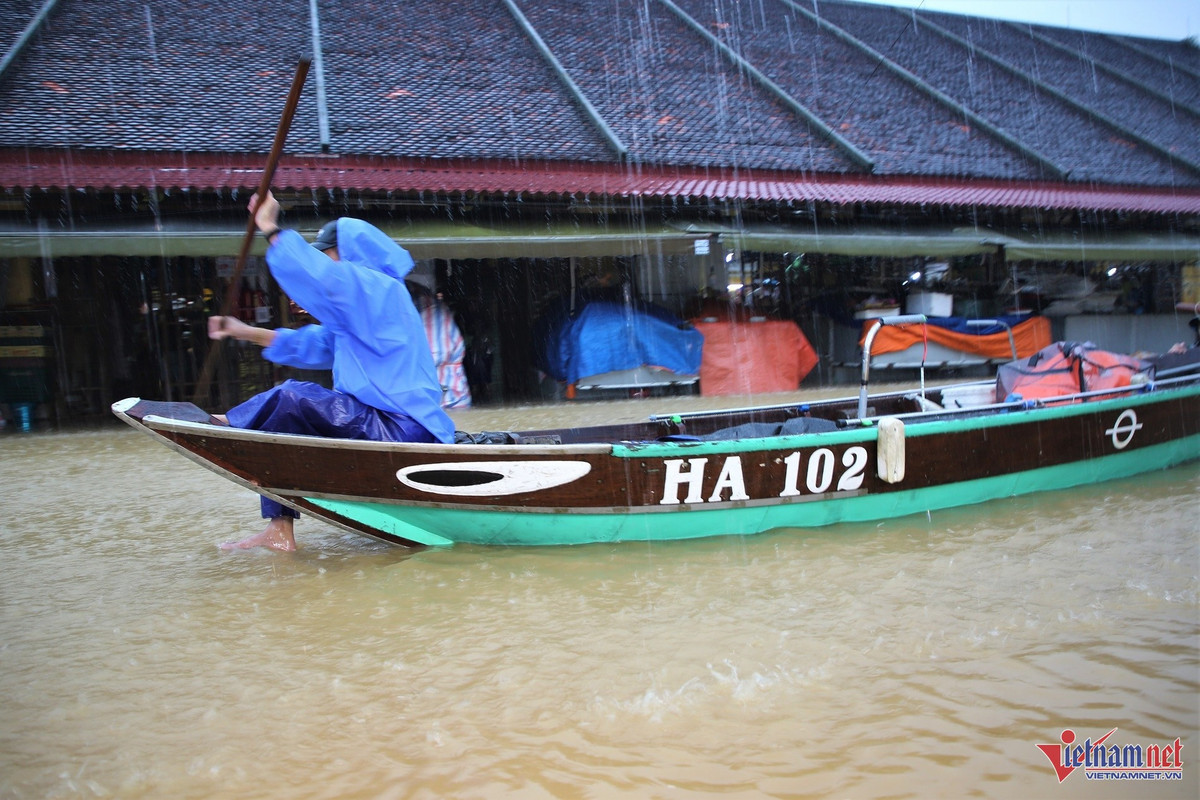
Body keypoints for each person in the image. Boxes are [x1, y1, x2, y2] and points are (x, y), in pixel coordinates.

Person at [207, 191, 455, 552]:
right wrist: (241, 330)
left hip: (401, 426)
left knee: (291, 397)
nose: (326, 262)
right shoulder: (364, 310)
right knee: (284, 423)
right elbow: (313, 345)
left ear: (351, 253)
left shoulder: (378, 288)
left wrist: (271, 228)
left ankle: (228, 423)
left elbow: (321, 280)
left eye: (328, 255)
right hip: (385, 423)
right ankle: (280, 531)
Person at [407, 279, 472, 409]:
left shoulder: (430, 310)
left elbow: (434, 355)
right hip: (448, 396)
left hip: (447, 398)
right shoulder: (428, 307)